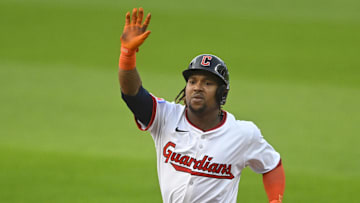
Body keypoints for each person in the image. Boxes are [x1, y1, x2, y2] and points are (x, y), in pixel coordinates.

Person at [118, 8, 285, 203]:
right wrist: (127, 55)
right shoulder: (165, 117)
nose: (197, 88)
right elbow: (132, 94)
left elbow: (272, 165)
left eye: (207, 83)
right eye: (192, 81)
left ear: (222, 92)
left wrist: (275, 200)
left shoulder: (243, 134)